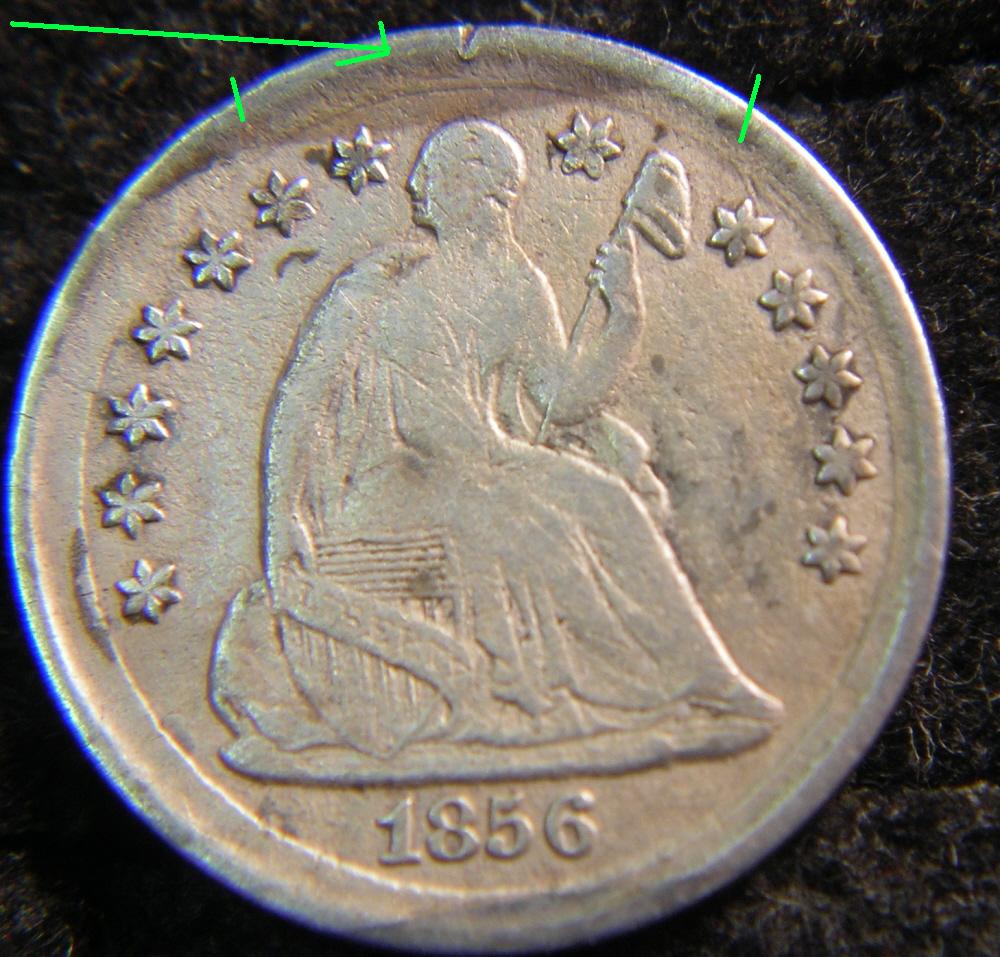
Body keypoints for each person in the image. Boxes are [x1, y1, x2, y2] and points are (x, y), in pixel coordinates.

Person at [211, 119, 781, 782]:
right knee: (531, 524)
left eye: (433, 177)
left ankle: (704, 680)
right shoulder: (383, 280)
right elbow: (304, 395)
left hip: (486, 459)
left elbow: (563, 399)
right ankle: (616, 692)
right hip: (396, 476)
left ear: (486, 191)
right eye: (426, 179)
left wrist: (625, 316)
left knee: (605, 498)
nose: (418, 192)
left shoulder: (518, 281)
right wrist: (284, 512)